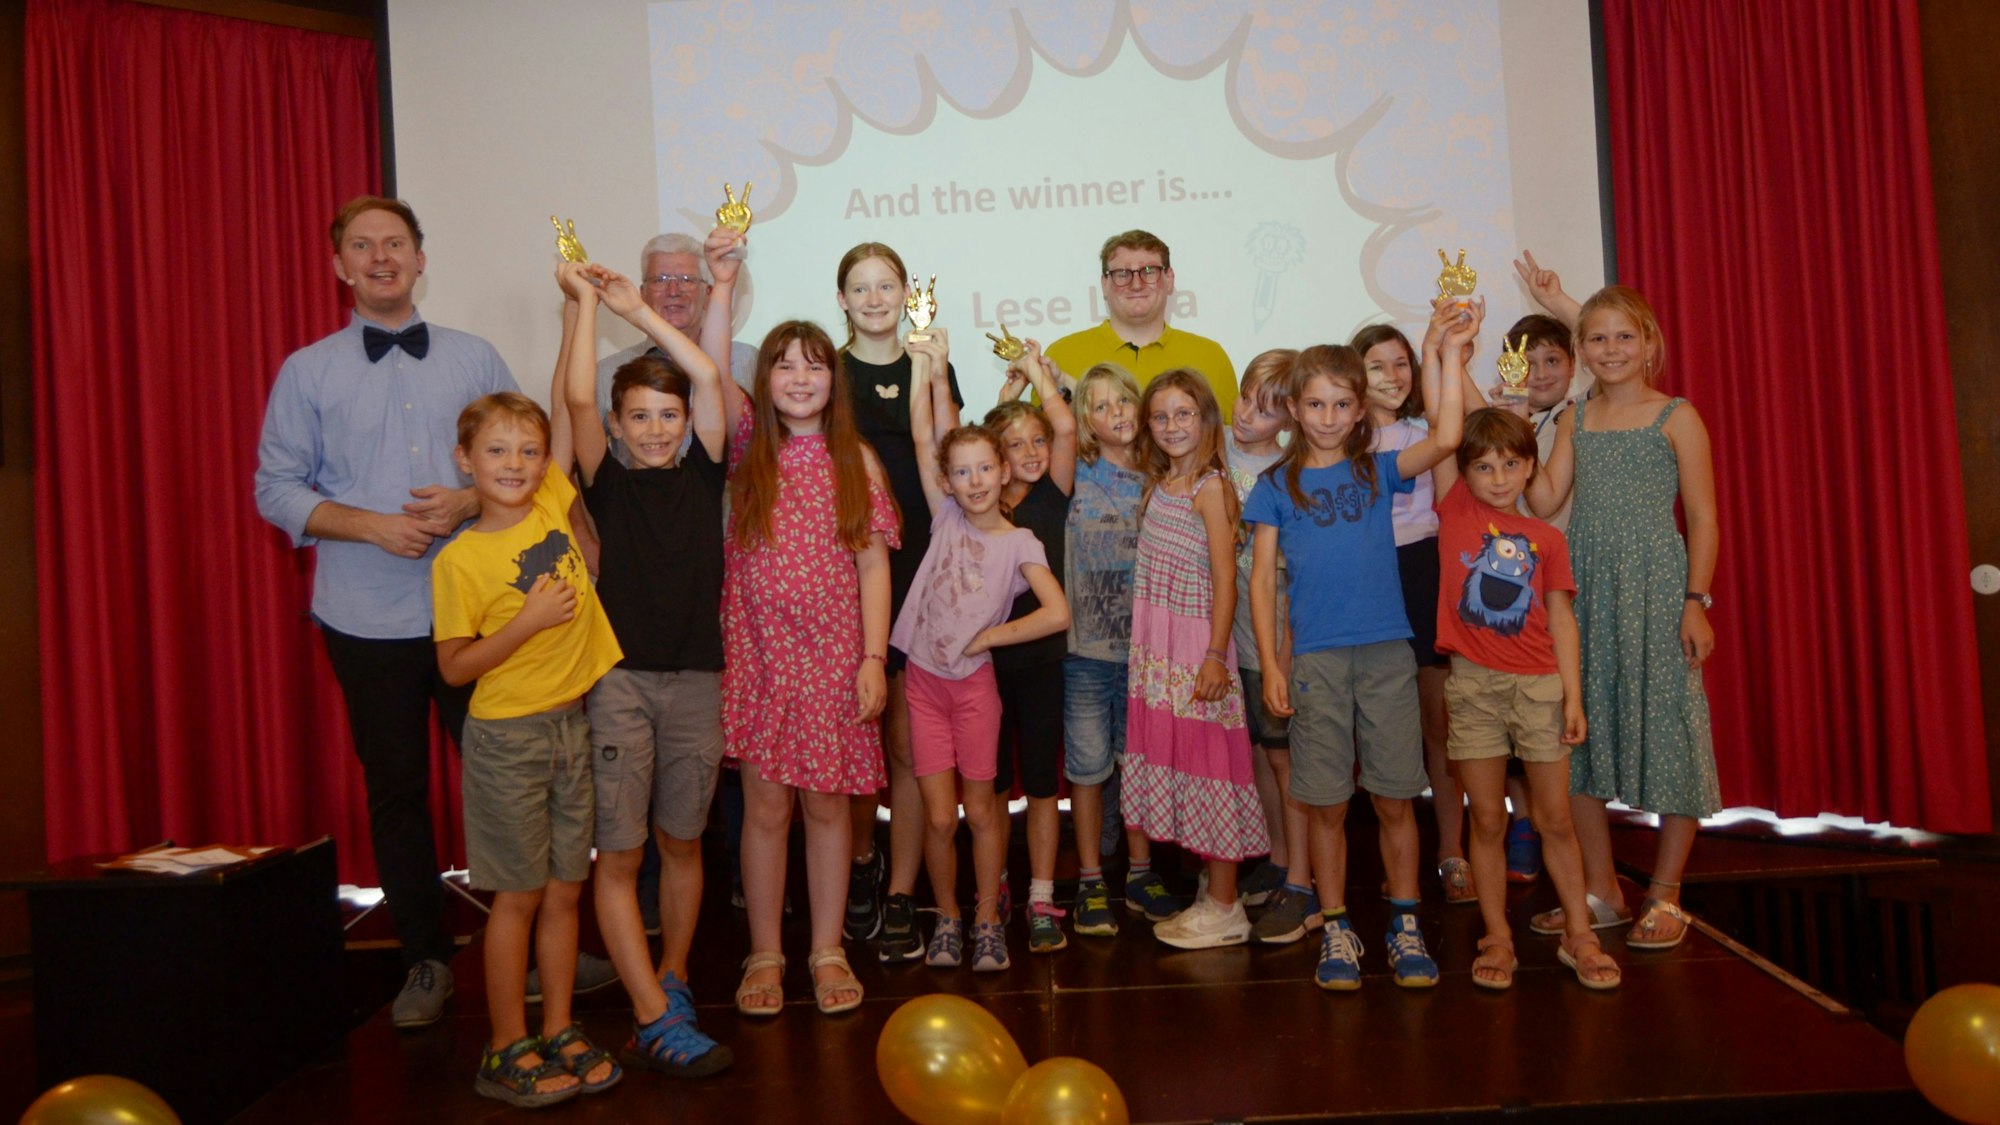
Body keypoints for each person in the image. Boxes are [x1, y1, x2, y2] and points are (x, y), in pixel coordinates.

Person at [255, 196, 517, 1027]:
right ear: (339, 265)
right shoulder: (307, 370)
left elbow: (527, 461)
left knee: (508, 780)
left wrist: (472, 499)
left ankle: (533, 940)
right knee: (397, 793)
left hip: (477, 613)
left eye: (394, 244)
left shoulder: (476, 358)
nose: (380, 258)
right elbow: (275, 488)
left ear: (419, 257)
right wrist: (367, 523)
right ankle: (424, 959)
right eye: (362, 246)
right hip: (364, 617)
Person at [1246, 309, 1469, 992]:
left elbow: (1450, 435)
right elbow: (1261, 581)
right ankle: (1336, 923)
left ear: (1359, 406)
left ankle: (1403, 923)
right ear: (1292, 408)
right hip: (1314, 659)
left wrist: (1452, 352)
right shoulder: (1274, 486)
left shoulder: (1380, 470)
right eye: (1315, 403)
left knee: (1397, 797)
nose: (1328, 415)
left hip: (1386, 657)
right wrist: (1274, 665)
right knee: (1325, 802)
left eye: (1342, 403)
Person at [557, 261, 739, 1075]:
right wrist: (590, 305)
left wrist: (638, 308)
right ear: (618, 425)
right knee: (622, 852)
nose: (659, 428)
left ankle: (673, 980)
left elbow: (705, 370)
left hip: (698, 679)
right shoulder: (604, 481)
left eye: (669, 415)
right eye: (641, 416)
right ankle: (650, 1011)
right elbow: (571, 401)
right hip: (621, 684)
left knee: (685, 841)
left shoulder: (704, 472)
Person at [430, 391, 623, 1106]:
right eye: (496, 451)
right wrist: (530, 621)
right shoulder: (460, 560)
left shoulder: (548, 505)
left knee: (566, 890)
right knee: (517, 896)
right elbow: (454, 666)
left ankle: (560, 1025)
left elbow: (571, 399)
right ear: (465, 461)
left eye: (528, 451)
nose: (515, 463)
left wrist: (577, 302)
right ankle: (506, 1043)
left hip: (571, 728)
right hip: (507, 739)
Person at [1523, 285, 1721, 954]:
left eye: (1623, 337)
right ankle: (1602, 889)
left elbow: (1702, 518)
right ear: (1582, 351)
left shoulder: (1676, 416)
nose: (1610, 349)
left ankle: (1665, 893)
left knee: (1671, 728)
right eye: (1597, 339)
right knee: (1579, 733)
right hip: (1584, 592)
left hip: (1659, 590)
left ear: (1649, 345)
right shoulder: (1575, 416)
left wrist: (1697, 600)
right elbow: (1547, 494)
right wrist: (1514, 431)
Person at [725, 320, 900, 1018]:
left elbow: (873, 564)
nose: (800, 378)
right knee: (766, 807)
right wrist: (722, 282)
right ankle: (765, 950)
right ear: (763, 379)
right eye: (785, 366)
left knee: (828, 804)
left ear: (837, 380)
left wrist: (873, 657)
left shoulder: (856, 459)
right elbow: (709, 369)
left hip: (834, 657)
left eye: (816, 366)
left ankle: (827, 947)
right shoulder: (744, 451)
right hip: (761, 655)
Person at [1431, 409, 1619, 990]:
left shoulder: (1547, 538)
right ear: (1463, 473)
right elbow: (1446, 428)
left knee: (1555, 819)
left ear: (1530, 465)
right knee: (1485, 818)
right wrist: (1448, 343)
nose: (1499, 477)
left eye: (1512, 464)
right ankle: (1497, 936)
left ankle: (1580, 936)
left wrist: (1574, 698)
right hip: (1473, 685)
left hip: (1540, 686)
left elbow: (1563, 620)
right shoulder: (1456, 510)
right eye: (1484, 467)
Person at [895, 369, 1068, 972]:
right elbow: (923, 438)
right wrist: (926, 362)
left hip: (973, 689)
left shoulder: (1021, 543)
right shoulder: (945, 517)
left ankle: (988, 921)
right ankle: (947, 916)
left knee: (983, 811)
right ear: (948, 481)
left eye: (984, 468)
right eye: (961, 472)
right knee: (939, 817)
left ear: (1003, 471)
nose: (973, 482)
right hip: (922, 684)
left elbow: (1057, 612)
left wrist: (988, 637)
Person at [834, 242, 964, 961]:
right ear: (843, 300)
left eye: (888, 285)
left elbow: (949, 453)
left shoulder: (931, 359)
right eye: (861, 287)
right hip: (846, 562)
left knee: (911, 745)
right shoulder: (826, 371)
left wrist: (938, 374)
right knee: (857, 730)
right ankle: (860, 863)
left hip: (925, 564)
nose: (876, 297)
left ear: (909, 292)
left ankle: (901, 892)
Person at [1124, 370, 1272, 948]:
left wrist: (1214, 656)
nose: (1171, 426)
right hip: (1158, 650)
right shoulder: (1162, 481)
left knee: (1212, 764)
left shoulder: (1210, 487)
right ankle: (1213, 893)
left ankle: (1226, 907)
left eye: (1184, 414)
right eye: (1160, 416)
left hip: (1195, 652)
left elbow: (1224, 579)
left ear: (1207, 419)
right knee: (1184, 761)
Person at [1062, 363, 1174, 936]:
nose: (1117, 414)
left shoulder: (1162, 473)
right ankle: (1089, 879)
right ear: (1085, 421)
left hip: (1146, 653)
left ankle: (1138, 870)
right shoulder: (1077, 469)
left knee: (1136, 765)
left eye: (1124, 401)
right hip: (1086, 652)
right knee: (1086, 768)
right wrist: (1041, 372)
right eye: (1100, 407)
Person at [1364, 317, 1467, 906]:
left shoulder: (1427, 433)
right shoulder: (1342, 442)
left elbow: (1449, 499)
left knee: (1439, 724)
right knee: (1384, 729)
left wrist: (1442, 352)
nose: (1392, 376)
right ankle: (1396, 858)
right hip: (1370, 575)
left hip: (1424, 571)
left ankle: (1451, 851)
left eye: (1401, 363)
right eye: (1377, 365)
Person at [987, 342, 1080, 954]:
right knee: (991, 786)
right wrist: (1008, 395)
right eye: (1014, 446)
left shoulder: (1054, 493)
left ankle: (1041, 893)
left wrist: (1039, 372)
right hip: (985, 666)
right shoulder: (982, 501)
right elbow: (987, 434)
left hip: (1045, 662)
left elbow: (1067, 423)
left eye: (1037, 443)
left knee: (1044, 781)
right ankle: (991, 884)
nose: (1029, 453)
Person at [1226, 352, 1319, 946]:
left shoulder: (1294, 470)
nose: (1245, 415)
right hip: (1236, 623)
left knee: (1289, 756)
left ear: (1287, 417)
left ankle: (1305, 882)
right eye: (1243, 398)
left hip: (1280, 621)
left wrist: (1283, 647)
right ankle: (1281, 858)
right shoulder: (1218, 452)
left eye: (1263, 409)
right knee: (1262, 749)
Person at [1492, 310, 1582, 883]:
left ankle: (1558, 825)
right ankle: (1522, 819)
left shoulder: (1576, 414)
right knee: (1503, 710)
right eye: (1530, 362)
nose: (1542, 372)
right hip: (1503, 583)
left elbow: (1546, 502)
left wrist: (1518, 419)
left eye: (1554, 360)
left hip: (1557, 583)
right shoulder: (1509, 414)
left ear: (1573, 366)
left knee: (1551, 710)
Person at [1045, 230, 1238, 415]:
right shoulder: (1061, 355)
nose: (1136, 285)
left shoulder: (1212, 357)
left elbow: (1232, 444)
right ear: (1105, 284)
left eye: (1148, 271)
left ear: (1169, 279)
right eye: (1122, 274)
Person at [595, 230, 757, 418]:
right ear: (642, 295)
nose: (673, 291)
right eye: (660, 280)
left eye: (687, 280)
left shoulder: (749, 362)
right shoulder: (608, 373)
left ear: (708, 294)